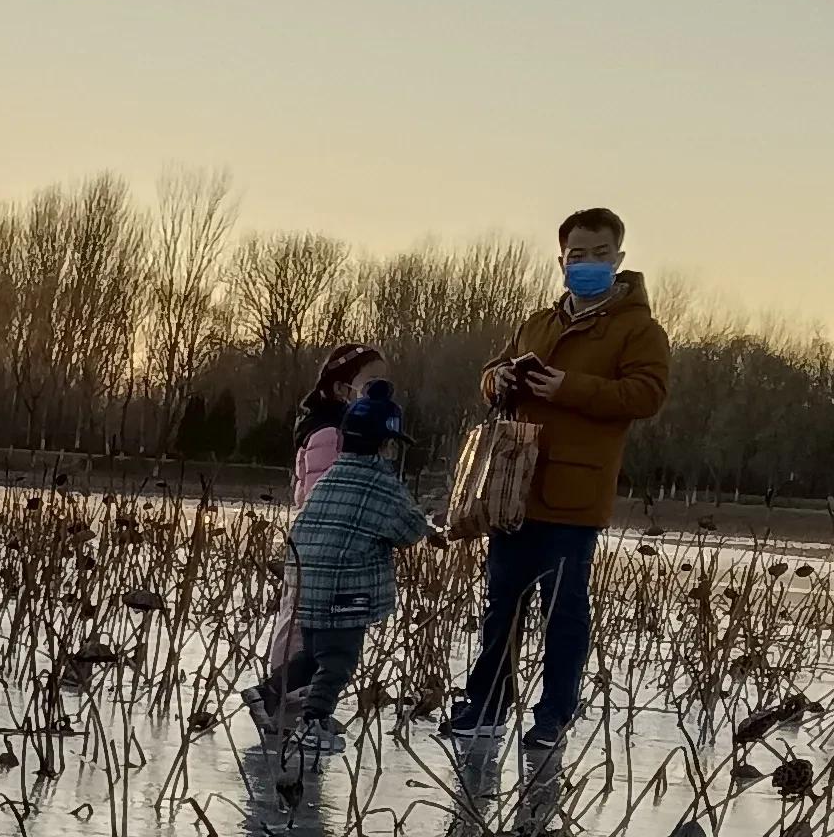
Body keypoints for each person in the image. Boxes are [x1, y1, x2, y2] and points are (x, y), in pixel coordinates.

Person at [454, 208, 669, 742]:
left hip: (576, 495)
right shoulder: (537, 322)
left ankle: (554, 714)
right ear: (562, 260)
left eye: (600, 255)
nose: (588, 264)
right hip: (511, 489)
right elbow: (490, 374)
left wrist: (568, 388)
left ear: (618, 259)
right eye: (578, 256)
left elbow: (648, 394)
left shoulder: (639, 329)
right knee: (500, 606)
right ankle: (485, 708)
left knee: (563, 612)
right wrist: (497, 380)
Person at [276, 380, 438, 775]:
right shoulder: (381, 484)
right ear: (387, 445)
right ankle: (313, 722)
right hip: (344, 588)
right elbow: (406, 530)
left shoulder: (332, 475)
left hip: (306, 579)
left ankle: (267, 693)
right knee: (339, 660)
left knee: (313, 654)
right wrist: (429, 518)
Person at [251, 344, 385, 713]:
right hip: (319, 541)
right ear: (342, 388)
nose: (380, 389)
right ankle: (286, 690)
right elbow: (321, 492)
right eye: (370, 381)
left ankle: (293, 690)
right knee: (302, 617)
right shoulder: (329, 431)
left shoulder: (344, 428)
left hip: (323, 540)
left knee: (307, 615)